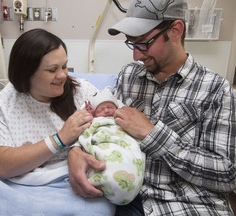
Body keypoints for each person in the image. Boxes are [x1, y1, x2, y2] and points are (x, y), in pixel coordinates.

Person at [67, 0, 236, 215]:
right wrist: (75, 151)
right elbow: (101, 124)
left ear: (175, 30)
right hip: (128, 196)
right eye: (132, 44)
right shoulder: (129, 76)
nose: (136, 55)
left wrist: (152, 134)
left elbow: (227, 175)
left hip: (188, 204)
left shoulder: (216, 89)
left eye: (144, 44)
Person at [0, 29, 115, 215]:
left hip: (66, 179)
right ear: (27, 73)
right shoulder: (5, 104)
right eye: (52, 70)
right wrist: (60, 138)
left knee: (97, 208)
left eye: (65, 66)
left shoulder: (83, 93)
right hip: (13, 182)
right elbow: (4, 166)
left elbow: (110, 135)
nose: (62, 76)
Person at [77, 88, 145, 205]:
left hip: (122, 142)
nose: (107, 110)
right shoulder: (96, 120)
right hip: (104, 142)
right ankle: (105, 181)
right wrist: (91, 117)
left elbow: (135, 135)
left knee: (129, 158)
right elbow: (85, 132)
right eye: (101, 109)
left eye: (110, 107)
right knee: (104, 162)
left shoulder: (123, 120)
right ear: (95, 113)